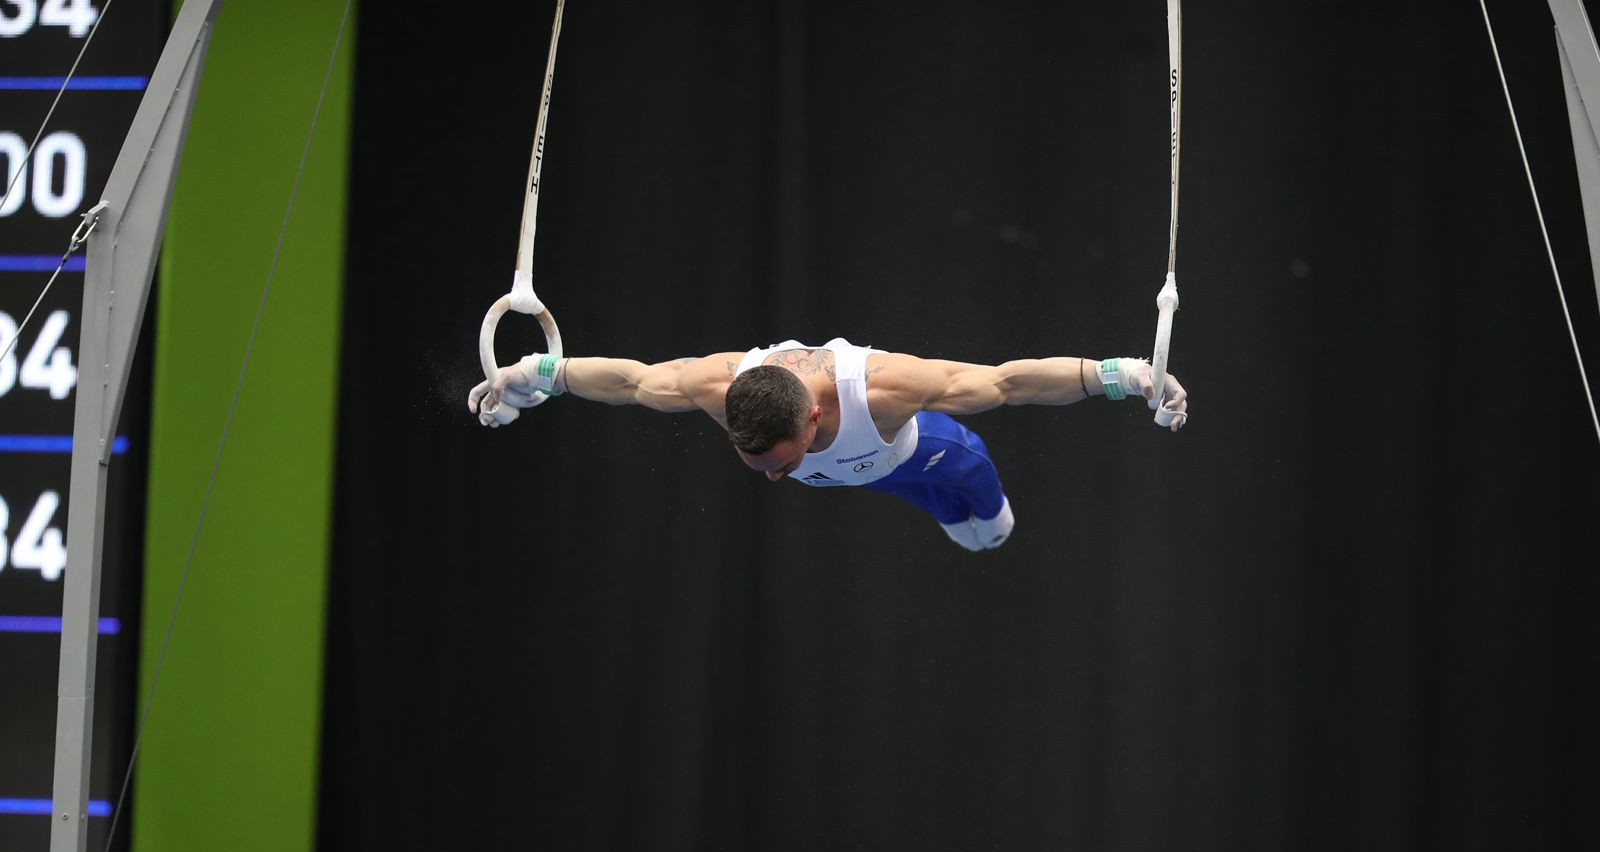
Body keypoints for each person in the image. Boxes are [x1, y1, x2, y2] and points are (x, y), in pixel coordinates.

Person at [467, 337, 1188, 550]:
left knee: (989, 533)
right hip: (869, 471)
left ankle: (977, 501)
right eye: (757, 465)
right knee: (969, 535)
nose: (774, 479)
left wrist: (1124, 377)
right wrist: (536, 374)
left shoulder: (884, 389)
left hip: (922, 453)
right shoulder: (713, 386)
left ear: (813, 418)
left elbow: (1007, 382)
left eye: (782, 462)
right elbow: (627, 381)